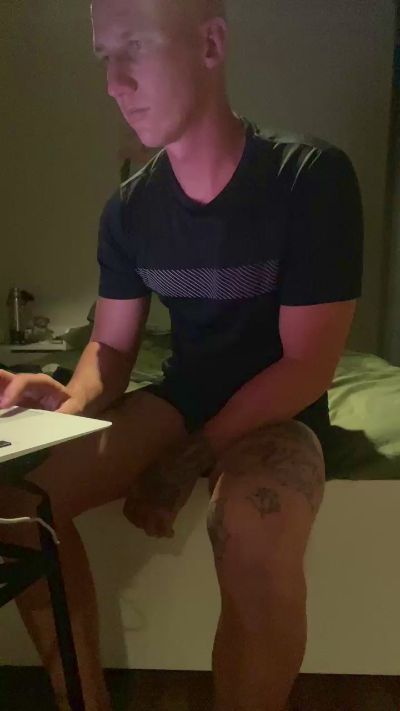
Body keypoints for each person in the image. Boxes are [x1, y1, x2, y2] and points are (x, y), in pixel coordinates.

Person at [0, 0, 364, 709]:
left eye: (135, 47)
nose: (114, 82)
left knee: (254, 526)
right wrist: (70, 404)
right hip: (183, 394)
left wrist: (188, 459)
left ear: (210, 44)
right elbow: (110, 345)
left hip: (279, 405)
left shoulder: (308, 177)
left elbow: (306, 365)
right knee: (16, 505)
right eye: (104, 57)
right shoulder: (129, 210)